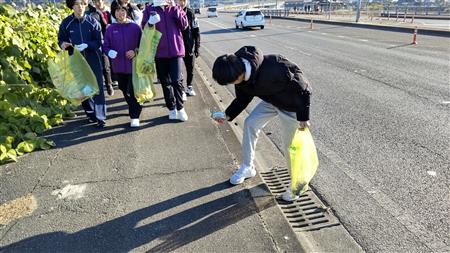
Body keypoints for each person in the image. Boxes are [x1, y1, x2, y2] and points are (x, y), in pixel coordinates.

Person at [212, 46, 312, 202]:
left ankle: (297, 185)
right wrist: (227, 115)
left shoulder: (275, 66)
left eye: (232, 81)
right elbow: (242, 99)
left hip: (291, 105)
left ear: (240, 73)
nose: (232, 84)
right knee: (250, 123)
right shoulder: (241, 78)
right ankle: (248, 167)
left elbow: (303, 87)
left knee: (291, 146)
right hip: (271, 101)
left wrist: (303, 116)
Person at [58, 0, 107, 128]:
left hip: (93, 58)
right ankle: (90, 113)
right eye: (76, 4)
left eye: (82, 4)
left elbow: (99, 41)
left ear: (85, 5)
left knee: (97, 87)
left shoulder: (93, 22)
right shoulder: (66, 23)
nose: (80, 7)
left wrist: (88, 45)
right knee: (83, 88)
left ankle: (101, 117)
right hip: (76, 60)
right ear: (72, 6)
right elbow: (61, 39)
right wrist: (64, 45)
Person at [141, 0, 189, 121]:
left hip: (176, 51)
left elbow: (184, 24)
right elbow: (144, 28)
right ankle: (171, 108)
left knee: (176, 81)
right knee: (165, 82)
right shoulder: (149, 9)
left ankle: (180, 107)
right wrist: (150, 23)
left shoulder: (174, 7)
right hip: (159, 52)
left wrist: (175, 8)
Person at [104, 2, 142, 127]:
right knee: (123, 89)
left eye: (122, 10)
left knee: (131, 90)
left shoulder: (135, 27)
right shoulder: (110, 29)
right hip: (118, 66)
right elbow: (105, 46)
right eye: (117, 11)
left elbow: (143, 45)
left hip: (133, 66)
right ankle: (134, 106)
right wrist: (109, 52)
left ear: (126, 12)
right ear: (114, 13)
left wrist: (135, 51)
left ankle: (134, 116)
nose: (120, 13)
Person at [87, 0, 115, 97]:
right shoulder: (84, 13)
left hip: (100, 42)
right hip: (88, 44)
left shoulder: (98, 13)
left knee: (105, 65)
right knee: (92, 67)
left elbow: (105, 26)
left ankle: (109, 84)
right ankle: (96, 87)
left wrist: (106, 40)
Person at [177, 0, 200, 97]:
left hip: (189, 46)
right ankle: (181, 90)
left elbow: (196, 31)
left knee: (190, 68)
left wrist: (197, 47)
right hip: (177, 47)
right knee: (178, 70)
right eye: (179, 0)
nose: (182, 3)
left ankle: (189, 86)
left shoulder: (191, 13)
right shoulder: (173, 12)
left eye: (184, 1)